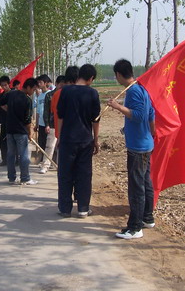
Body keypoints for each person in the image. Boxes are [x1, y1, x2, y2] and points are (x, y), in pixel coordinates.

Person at [107, 59, 156, 240]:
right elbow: (151, 115)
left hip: (138, 146)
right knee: (145, 182)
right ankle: (147, 217)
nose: (116, 78)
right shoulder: (141, 88)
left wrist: (118, 106)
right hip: (145, 142)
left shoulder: (134, 91)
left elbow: (139, 115)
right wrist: (151, 134)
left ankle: (135, 227)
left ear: (119, 74)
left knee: (137, 187)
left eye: (115, 75)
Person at [57, 64, 100, 218]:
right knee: (84, 174)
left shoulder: (66, 91)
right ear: (90, 78)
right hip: (85, 140)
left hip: (68, 139)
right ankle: (83, 208)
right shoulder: (93, 93)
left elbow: (60, 115)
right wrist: (96, 140)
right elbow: (96, 120)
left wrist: (59, 137)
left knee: (65, 173)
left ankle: (64, 208)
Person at [1, 77, 38, 185]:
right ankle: (25, 178)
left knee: (11, 154)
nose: (33, 92)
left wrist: (9, 110)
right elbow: (27, 119)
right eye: (33, 89)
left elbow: (1, 102)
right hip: (20, 131)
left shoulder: (11, 94)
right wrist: (30, 132)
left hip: (9, 129)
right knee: (24, 156)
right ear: (28, 87)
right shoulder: (27, 100)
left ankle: (11, 178)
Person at [40, 75, 65, 173]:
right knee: (50, 146)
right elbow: (46, 111)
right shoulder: (49, 95)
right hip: (52, 124)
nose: (62, 87)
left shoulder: (66, 95)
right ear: (56, 84)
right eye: (60, 85)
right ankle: (45, 165)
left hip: (64, 126)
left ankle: (60, 166)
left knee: (62, 148)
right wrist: (47, 124)